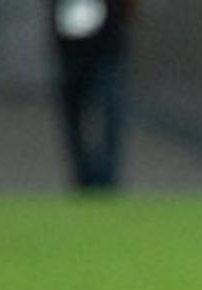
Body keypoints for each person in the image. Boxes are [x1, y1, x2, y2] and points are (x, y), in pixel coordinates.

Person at [51, 0, 134, 190]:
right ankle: (84, 178)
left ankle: (106, 179)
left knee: (110, 114)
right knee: (73, 115)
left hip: (108, 45)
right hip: (71, 47)